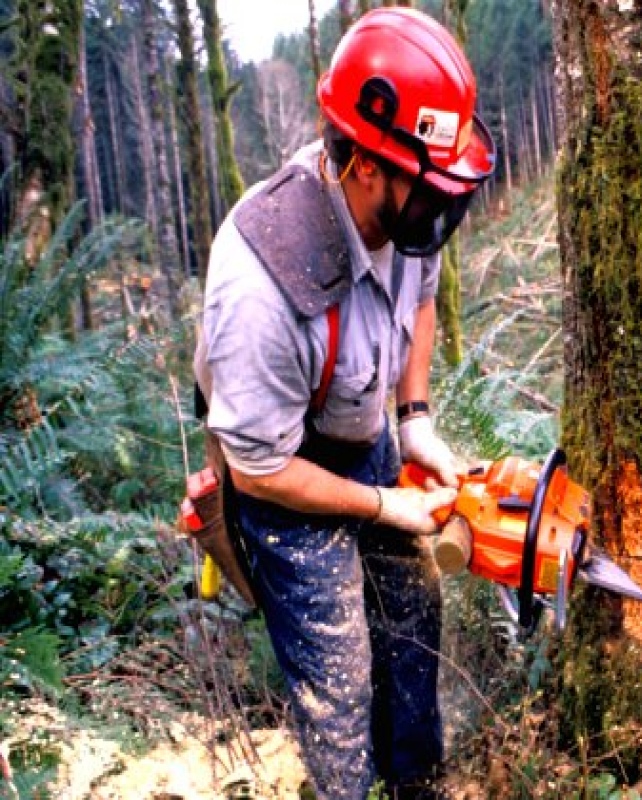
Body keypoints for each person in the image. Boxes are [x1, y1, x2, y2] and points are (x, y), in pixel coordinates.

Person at [192, 8, 495, 799]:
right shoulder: (261, 285)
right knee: (341, 667)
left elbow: (420, 296)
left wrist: (415, 418)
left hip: (361, 430)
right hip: (281, 476)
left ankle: (416, 782)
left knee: (413, 611)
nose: (441, 205)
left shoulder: (406, 213)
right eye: (428, 187)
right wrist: (379, 505)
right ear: (364, 165)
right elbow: (259, 471)